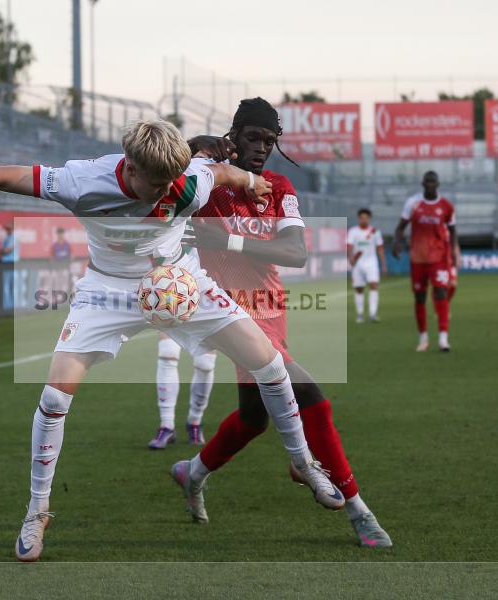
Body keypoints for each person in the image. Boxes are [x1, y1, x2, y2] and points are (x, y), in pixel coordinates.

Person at [0, 118, 345, 562]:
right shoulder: (81, 181)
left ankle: (303, 461)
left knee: (268, 360)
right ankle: (37, 512)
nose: (164, 192)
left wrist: (252, 182)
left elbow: (222, 172)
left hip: (178, 283)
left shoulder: (188, 181)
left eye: (171, 183)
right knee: (55, 394)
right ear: (130, 167)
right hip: (107, 291)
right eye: (155, 184)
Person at [179, 98, 391, 548]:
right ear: (233, 136)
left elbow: (295, 253)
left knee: (255, 418)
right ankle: (357, 508)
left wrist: (229, 241)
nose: (260, 148)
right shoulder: (206, 176)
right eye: (252, 138)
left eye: (269, 141)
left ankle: (193, 472)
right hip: (228, 312)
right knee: (313, 398)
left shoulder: (278, 185)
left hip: (271, 308)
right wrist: (197, 145)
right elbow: (161, 165)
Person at [392, 171, 459, 352]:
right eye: (427, 181)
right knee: (420, 297)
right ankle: (423, 338)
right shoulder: (413, 203)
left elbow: (452, 230)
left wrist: (453, 251)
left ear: (438, 184)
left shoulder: (446, 206)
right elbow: (401, 227)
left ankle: (443, 338)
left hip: (439, 258)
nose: (430, 184)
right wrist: (396, 242)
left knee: (440, 293)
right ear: (423, 183)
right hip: (418, 258)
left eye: (433, 182)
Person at [149, 333, 215, 448]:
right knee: (167, 354)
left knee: (205, 364)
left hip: (204, 315)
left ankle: (195, 422)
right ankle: (166, 426)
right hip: (172, 317)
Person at [347, 208, 386, 323]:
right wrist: (350, 258)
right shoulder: (353, 231)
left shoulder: (375, 231)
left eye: (366, 217)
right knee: (359, 288)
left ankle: (372, 314)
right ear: (359, 218)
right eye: (361, 217)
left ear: (369, 218)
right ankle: (360, 314)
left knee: (373, 285)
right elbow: (349, 246)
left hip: (371, 262)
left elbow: (380, 248)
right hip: (357, 263)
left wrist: (383, 264)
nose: (363, 219)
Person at [1, 222, 19, 309]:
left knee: (13, 285)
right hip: (6, 263)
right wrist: (3, 251)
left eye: (9, 229)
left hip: (13, 263)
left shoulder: (13, 239)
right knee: (6, 285)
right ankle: (8, 305)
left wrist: (3, 251)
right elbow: (1, 251)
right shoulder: (6, 239)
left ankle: (14, 305)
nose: (8, 230)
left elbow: (6, 250)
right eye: (7, 229)